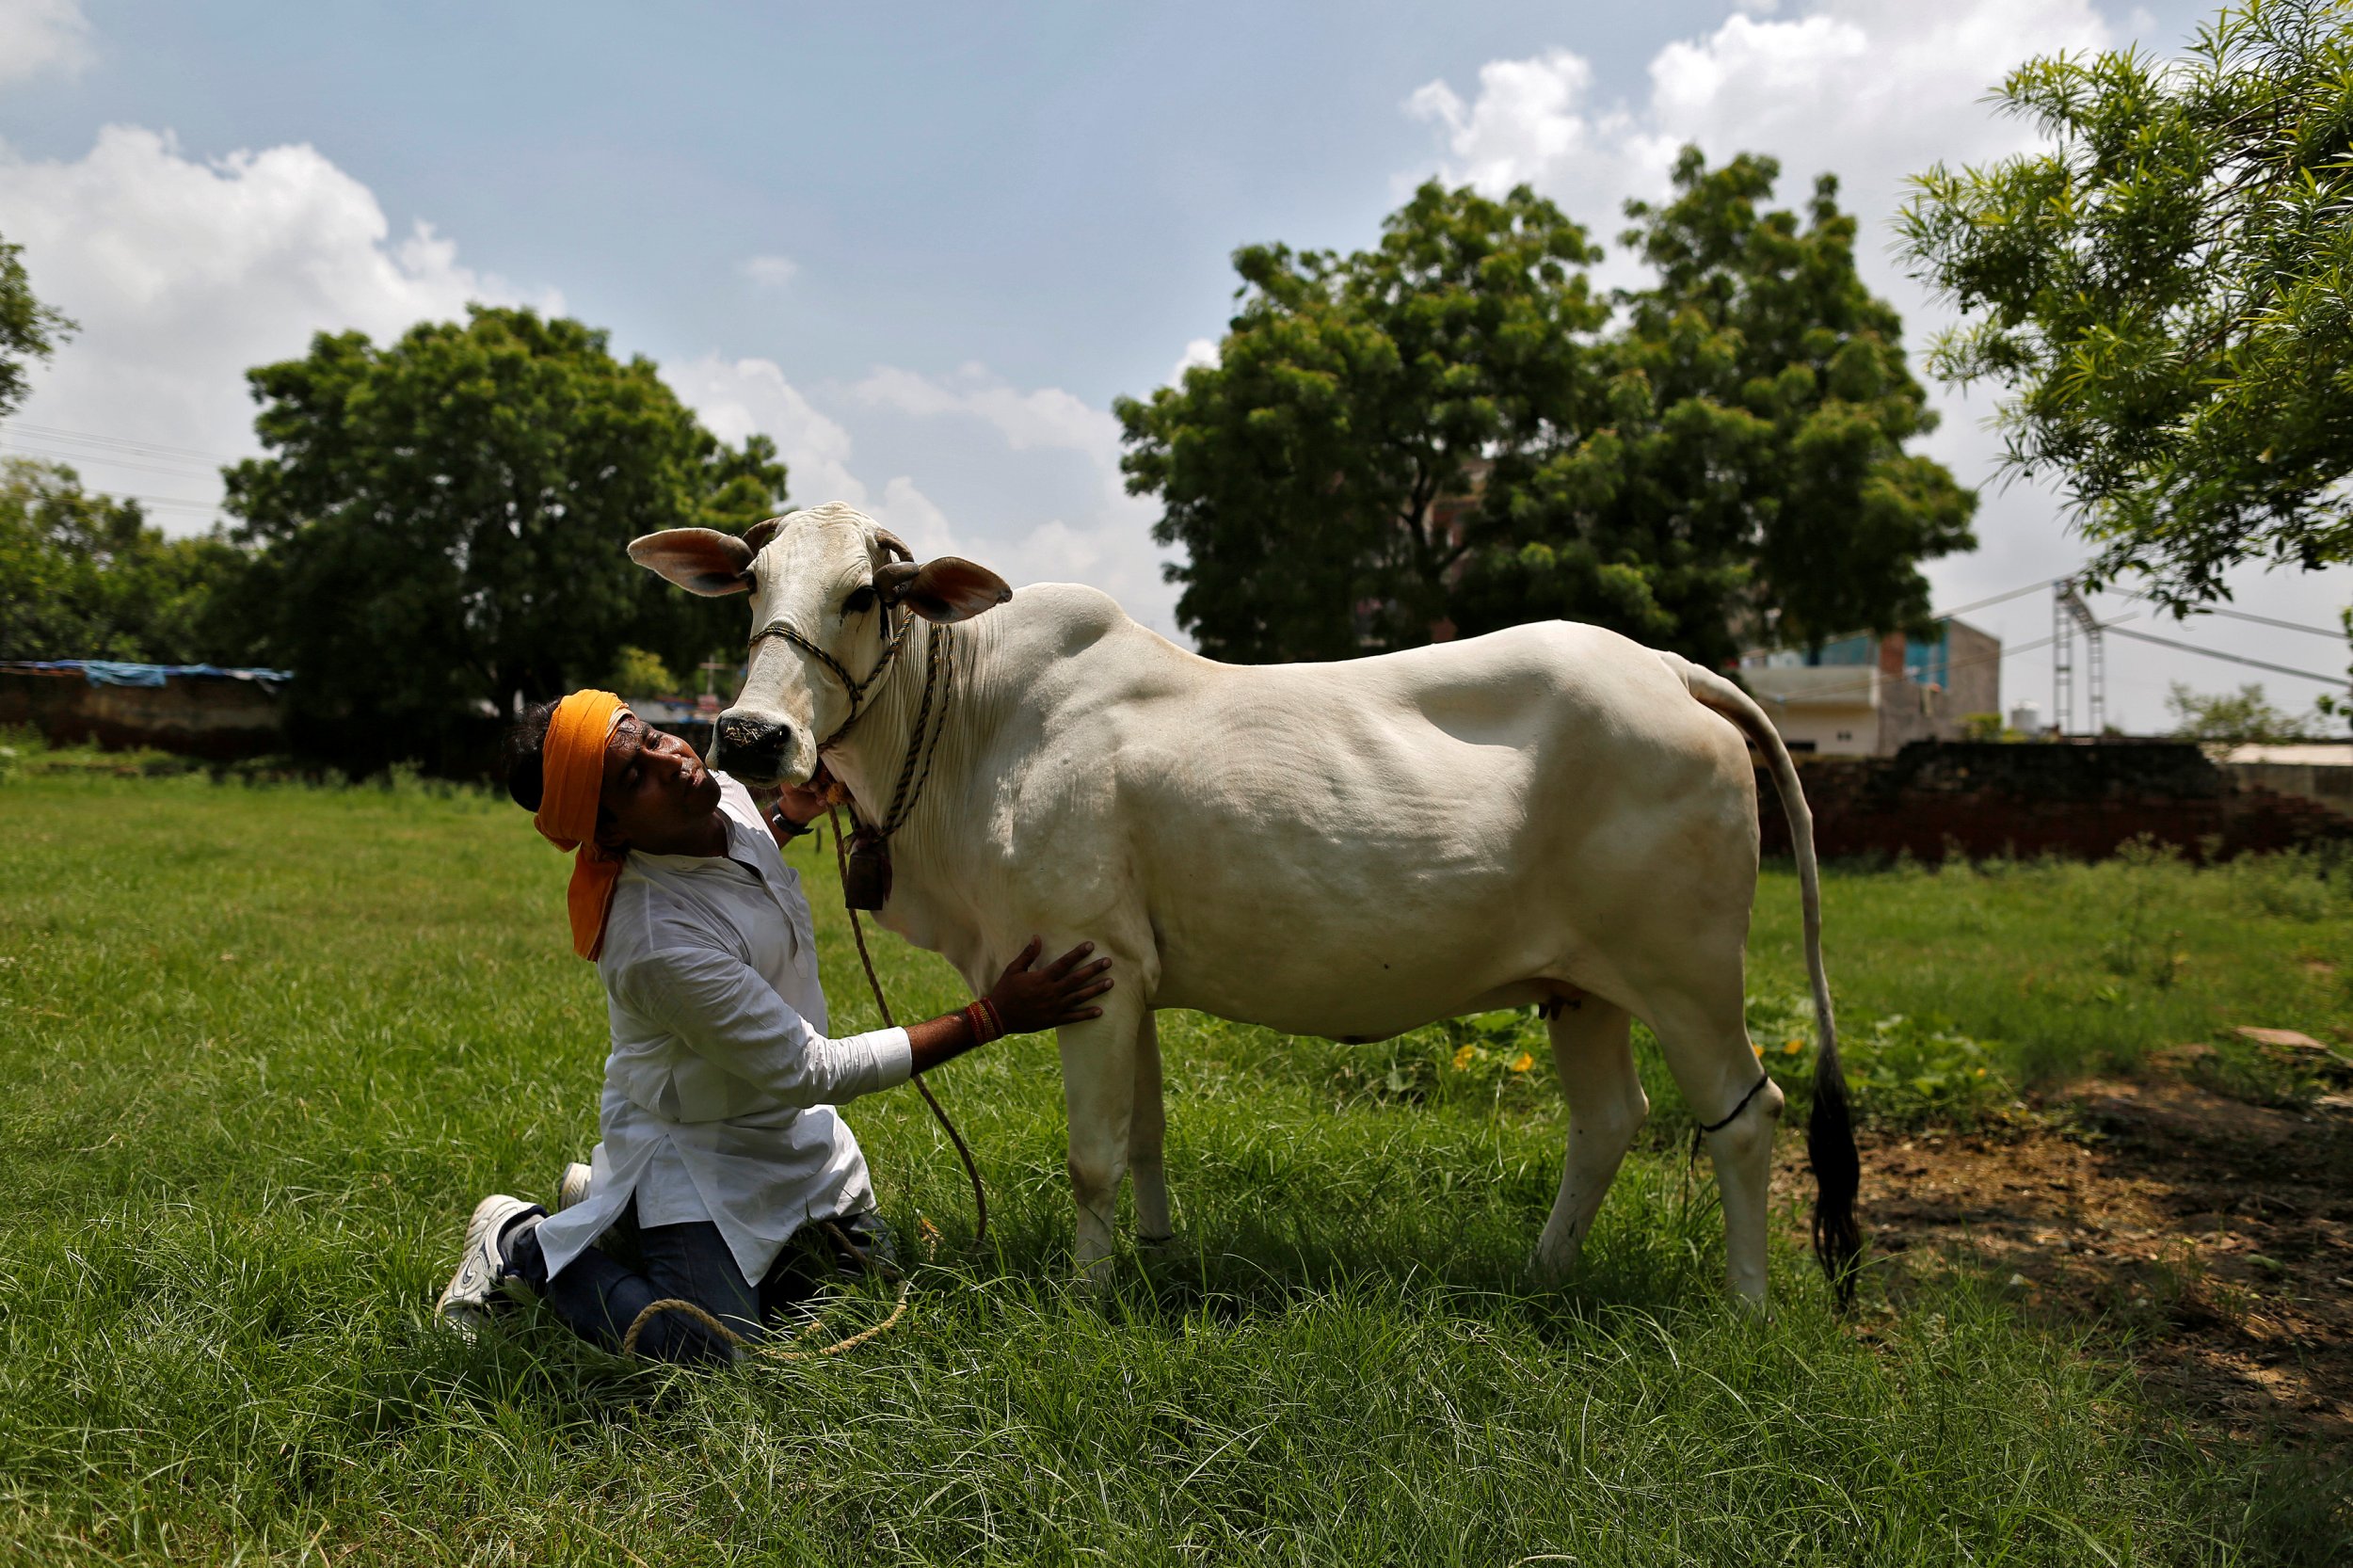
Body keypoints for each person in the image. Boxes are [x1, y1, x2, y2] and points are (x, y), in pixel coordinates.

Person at [436, 687, 1111, 1363]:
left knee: (861, 1286)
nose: (670, 759)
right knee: (709, 1353)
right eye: (633, 776)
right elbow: (811, 1072)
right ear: (610, 833)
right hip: (698, 1151)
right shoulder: (652, 940)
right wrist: (993, 1015)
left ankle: (615, 1204)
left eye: (648, 736)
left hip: (787, 1135)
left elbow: (738, 870)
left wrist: (789, 814)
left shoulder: (719, 795)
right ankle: (523, 1243)